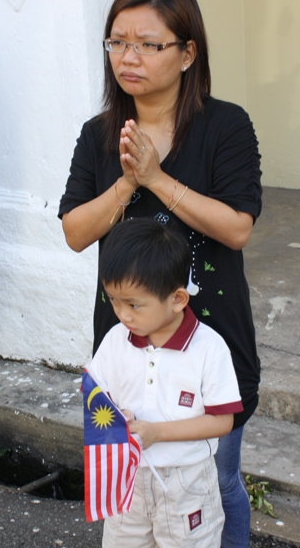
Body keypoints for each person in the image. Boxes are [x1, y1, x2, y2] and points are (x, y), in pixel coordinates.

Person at [59, 0, 262, 547]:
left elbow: (237, 227)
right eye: (118, 42)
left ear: (187, 52)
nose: (129, 56)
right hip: (127, 342)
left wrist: (156, 179)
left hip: (209, 341)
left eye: (149, 44)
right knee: (137, 482)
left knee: (215, 481)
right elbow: (76, 232)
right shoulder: (99, 135)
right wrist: (126, 183)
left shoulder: (226, 127)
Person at [88, 218, 243, 547]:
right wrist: (116, 417)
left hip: (186, 483)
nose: (122, 314)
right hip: (127, 477)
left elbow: (223, 420)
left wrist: (157, 433)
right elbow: (96, 394)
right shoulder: (116, 340)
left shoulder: (208, 349)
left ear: (177, 299)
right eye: (114, 301)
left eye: (133, 304)